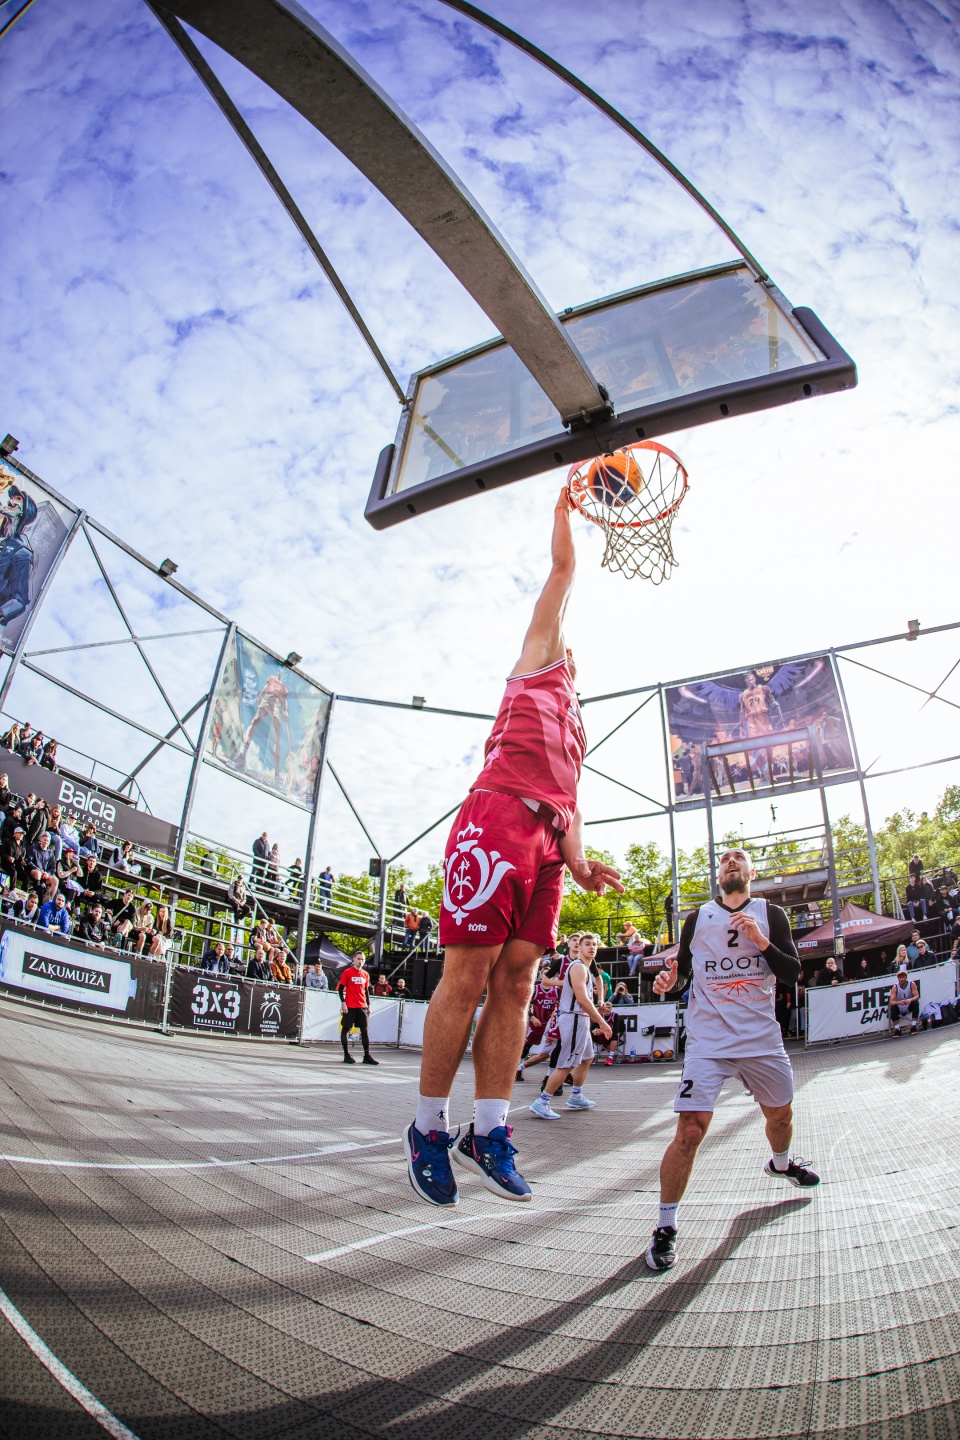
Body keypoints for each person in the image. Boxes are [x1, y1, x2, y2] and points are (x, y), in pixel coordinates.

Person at [402, 494, 622, 1209]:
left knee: (519, 983)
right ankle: (427, 1128)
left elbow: (570, 801)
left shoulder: (576, 722)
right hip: (496, 819)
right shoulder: (536, 665)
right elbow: (562, 570)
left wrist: (580, 864)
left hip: (548, 843)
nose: (568, 646)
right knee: (467, 976)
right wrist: (567, 507)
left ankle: (489, 1130)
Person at [644, 847, 819, 1275]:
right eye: (724, 860)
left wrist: (760, 941)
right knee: (689, 1129)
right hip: (709, 1041)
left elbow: (792, 973)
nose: (731, 862)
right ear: (718, 875)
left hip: (761, 1039)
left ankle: (780, 1164)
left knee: (781, 1116)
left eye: (739, 858)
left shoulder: (771, 914)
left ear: (751, 872)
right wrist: (671, 981)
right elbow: (683, 973)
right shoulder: (697, 917)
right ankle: (665, 1227)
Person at [530, 932, 610, 1115]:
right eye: (587, 944)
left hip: (580, 1017)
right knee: (567, 1063)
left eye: (594, 945)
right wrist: (601, 1022)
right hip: (574, 1018)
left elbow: (588, 993)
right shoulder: (578, 967)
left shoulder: (586, 968)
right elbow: (581, 999)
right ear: (579, 948)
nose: (591, 947)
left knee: (587, 1057)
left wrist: (599, 1006)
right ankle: (542, 1102)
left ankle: (576, 1096)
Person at [337, 952, 378, 1065]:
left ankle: (367, 1056)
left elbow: (366, 990)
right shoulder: (347, 972)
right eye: (359, 959)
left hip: (362, 1006)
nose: (360, 961)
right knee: (345, 1029)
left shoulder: (365, 974)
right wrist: (343, 1002)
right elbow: (340, 988)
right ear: (354, 959)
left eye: (362, 959)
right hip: (350, 1006)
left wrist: (369, 1004)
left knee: (364, 1031)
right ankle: (346, 1054)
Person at [888, 965, 920, 1036]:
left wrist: (910, 1000)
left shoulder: (911, 984)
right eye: (899, 978)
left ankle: (913, 1026)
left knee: (916, 1003)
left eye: (902, 977)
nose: (901, 979)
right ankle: (897, 1029)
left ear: (906, 977)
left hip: (908, 1005)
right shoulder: (895, 987)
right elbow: (891, 1002)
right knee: (892, 1007)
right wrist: (899, 1002)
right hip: (899, 1006)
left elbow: (917, 996)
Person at [592, 1000, 626, 1064]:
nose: (607, 1009)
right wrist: (594, 1030)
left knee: (615, 1035)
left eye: (609, 1008)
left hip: (610, 1036)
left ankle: (610, 1057)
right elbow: (594, 1026)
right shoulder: (599, 1015)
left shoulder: (615, 1015)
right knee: (590, 1035)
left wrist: (603, 1031)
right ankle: (591, 1056)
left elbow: (616, 1029)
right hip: (601, 1037)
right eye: (606, 1007)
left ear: (611, 1009)